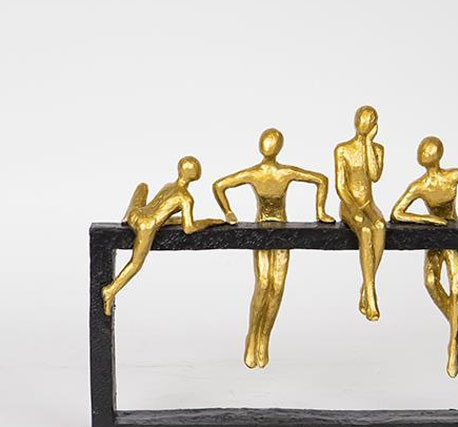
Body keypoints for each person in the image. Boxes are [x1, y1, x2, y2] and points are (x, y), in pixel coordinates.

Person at [213, 128, 335, 368]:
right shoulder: (254, 173)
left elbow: (321, 180)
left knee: (276, 287)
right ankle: (252, 336)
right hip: (262, 229)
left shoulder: (285, 172)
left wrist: (320, 211)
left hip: (282, 230)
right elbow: (219, 186)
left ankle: (264, 338)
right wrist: (228, 212)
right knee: (263, 285)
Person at [390, 136, 458, 377]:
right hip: (435, 237)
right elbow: (397, 213)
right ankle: (457, 325)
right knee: (431, 282)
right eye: (421, 151)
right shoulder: (419, 186)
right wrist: (428, 219)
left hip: (454, 236)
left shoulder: (452, 176)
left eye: (427, 151)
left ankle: (452, 348)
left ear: (437, 154)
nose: (423, 154)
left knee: (457, 288)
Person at [101, 156, 224, 316]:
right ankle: (110, 291)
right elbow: (188, 228)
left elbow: (161, 211)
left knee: (143, 187)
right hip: (146, 225)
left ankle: (125, 217)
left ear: (179, 170)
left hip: (135, 214)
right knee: (136, 263)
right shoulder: (186, 198)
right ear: (196, 176)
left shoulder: (168, 185)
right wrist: (209, 222)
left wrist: (175, 220)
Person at [335, 106, 386, 321]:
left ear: (375, 124)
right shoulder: (342, 150)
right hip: (349, 204)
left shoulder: (377, 149)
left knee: (380, 225)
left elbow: (374, 176)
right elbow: (340, 185)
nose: (365, 124)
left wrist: (368, 143)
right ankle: (371, 295)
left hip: (368, 203)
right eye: (362, 119)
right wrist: (353, 208)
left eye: (370, 120)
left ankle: (367, 287)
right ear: (356, 121)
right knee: (365, 230)